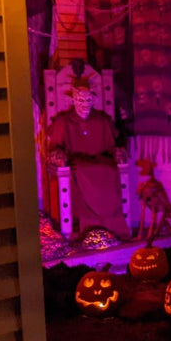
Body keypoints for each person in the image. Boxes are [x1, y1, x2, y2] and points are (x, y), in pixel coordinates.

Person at [47, 78, 130, 240]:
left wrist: (119, 152)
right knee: (84, 171)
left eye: (88, 100)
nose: (85, 104)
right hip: (77, 163)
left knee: (109, 170)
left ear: (93, 99)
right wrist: (59, 156)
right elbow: (55, 147)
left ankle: (113, 226)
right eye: (80, 100)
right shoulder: (64, 122)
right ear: (73, 100)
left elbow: (114, 144)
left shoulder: (102, 120)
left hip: (103, 161)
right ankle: (89, 226)